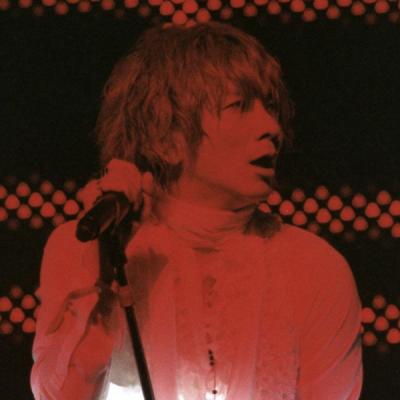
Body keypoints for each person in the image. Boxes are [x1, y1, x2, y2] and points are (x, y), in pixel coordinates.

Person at [31, 22, 363, 400]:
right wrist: (97, 305)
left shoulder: (316, 269)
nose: (272, 127)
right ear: (166, 138)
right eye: (239, 105)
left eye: (271, 108)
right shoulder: (85, 246)